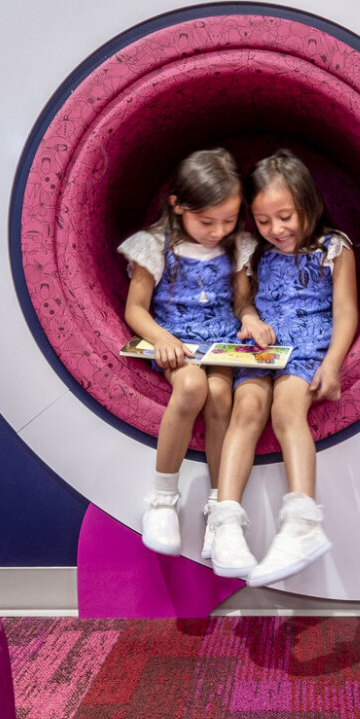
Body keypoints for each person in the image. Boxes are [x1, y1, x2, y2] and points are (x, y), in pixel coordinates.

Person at [216, 149, 360, 587]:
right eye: (264, 221)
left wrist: (333, 363)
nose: (277, 229)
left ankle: (302, 523)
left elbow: (346, 311)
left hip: (309, 342)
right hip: (263, 346)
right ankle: (225, 525)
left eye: (286, 216)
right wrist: (250, 319)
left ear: (307, 205)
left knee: (285, 410)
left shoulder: (333, 247)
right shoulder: (252, 251)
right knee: (245, 408)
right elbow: (242, 299)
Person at [120, 148, 244, 556]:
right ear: (177, 205)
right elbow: (135, 309)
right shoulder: (154, 244)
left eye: (228, 221)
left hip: (222, 339)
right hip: (175, 338)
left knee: (222, 394)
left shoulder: (235, 244)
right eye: (207, 221)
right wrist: (161, 338)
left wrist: (251, 318)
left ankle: (219, 508)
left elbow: (242, 301)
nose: (217, 231)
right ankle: (162, 500)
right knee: (191, 386)